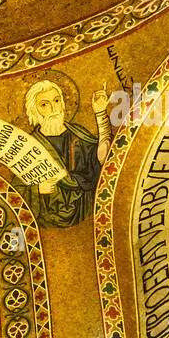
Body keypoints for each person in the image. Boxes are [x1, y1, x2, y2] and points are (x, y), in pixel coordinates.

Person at [17, 80, 111, 227]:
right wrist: (36, 189)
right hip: (49, 217)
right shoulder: (29, 146)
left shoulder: (78, 133)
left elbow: (104, 159)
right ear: (34, 111)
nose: (53, 108)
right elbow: (15, 190)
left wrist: (100, 113)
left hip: (86, 208)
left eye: (56, 100)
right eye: (44, 104)